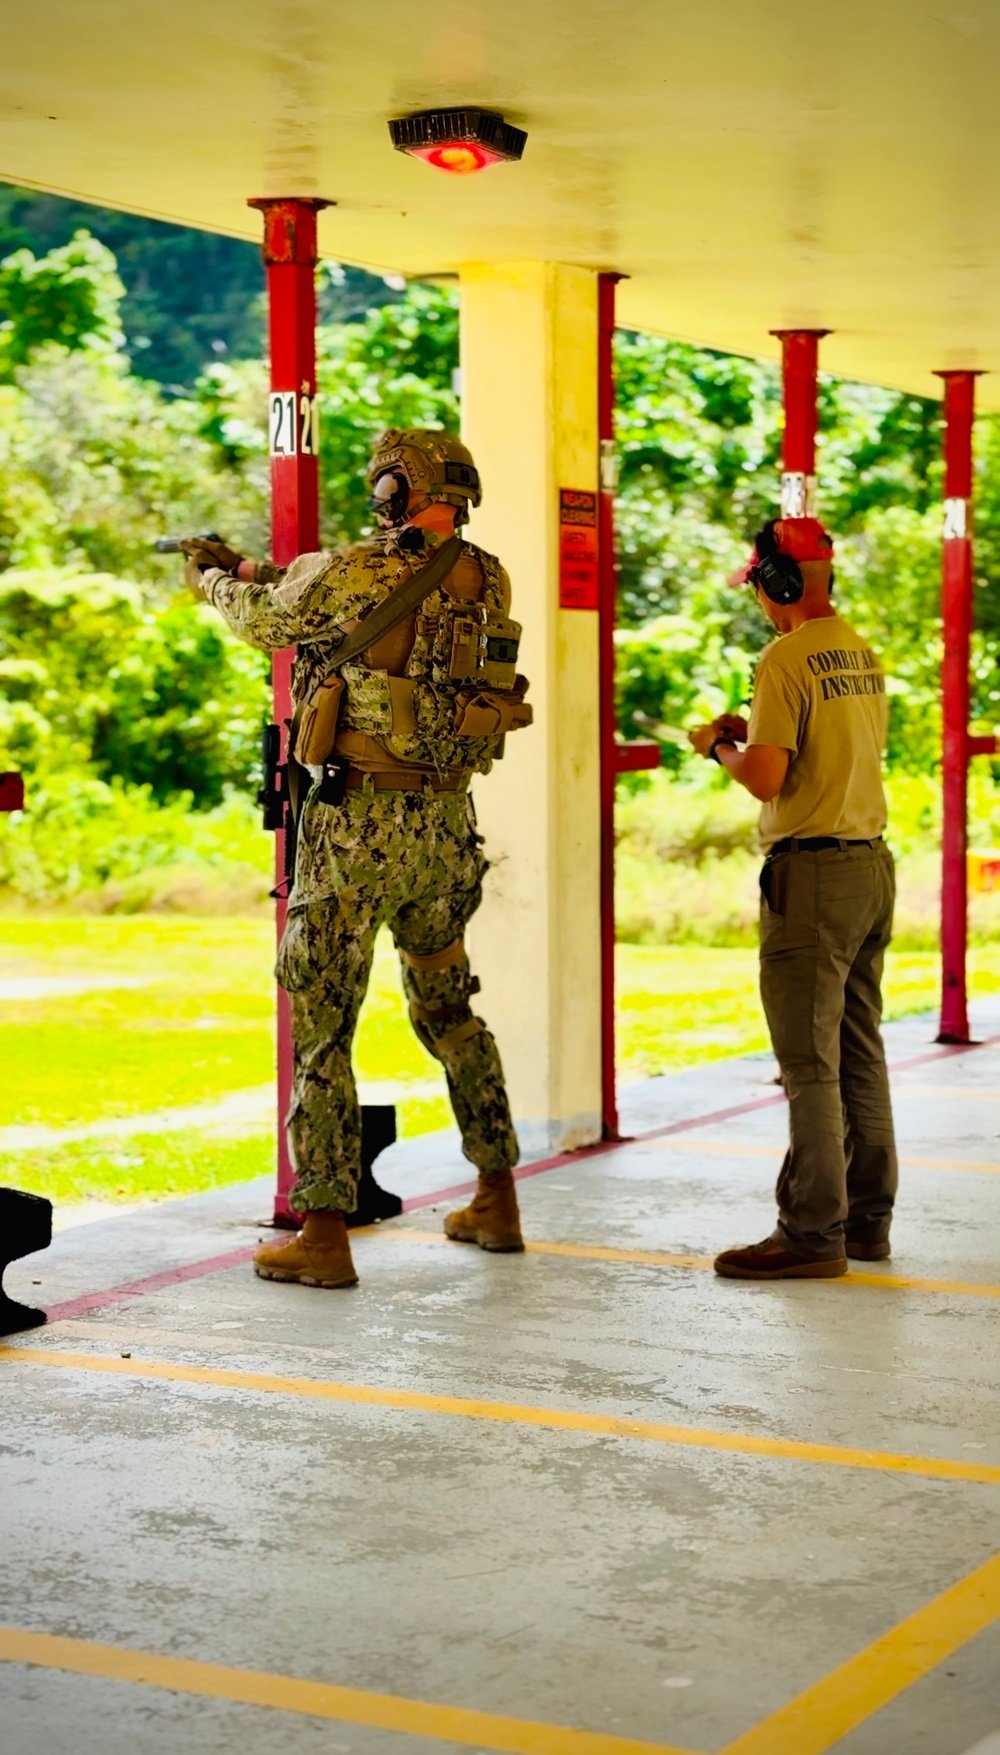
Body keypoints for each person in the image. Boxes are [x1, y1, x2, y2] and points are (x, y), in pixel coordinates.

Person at [180, 429, 530, 1290]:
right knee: (451, 1011)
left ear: (389, 490)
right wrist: (265, 569)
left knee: (324, 1025)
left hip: (353, 831)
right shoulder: (487, 577)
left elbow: (271, 624)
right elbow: (360, 603)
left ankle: (325, 1230)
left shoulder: (351, 570)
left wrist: (214, 580)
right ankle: (495, 1193)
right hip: (444, 827)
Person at [689, 516, 897, 1280]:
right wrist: (758, 739)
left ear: (778, 582)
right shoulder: (858, 650)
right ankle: (867, 1220)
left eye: (761, 590)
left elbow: (767, 778)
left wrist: (719, 745)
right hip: (870, 865)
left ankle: (812, 1232)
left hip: (810, 876)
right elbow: (820, 750)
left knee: (808, 1063)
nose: (761, 606)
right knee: (859, 1051)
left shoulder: (784, 656)